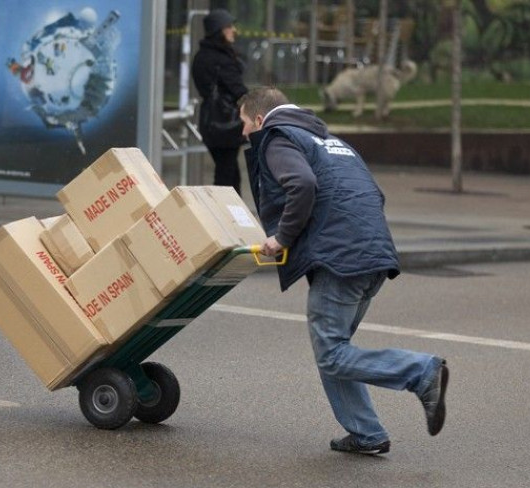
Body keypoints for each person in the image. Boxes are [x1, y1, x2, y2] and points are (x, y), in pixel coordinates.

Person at [238, 86, 449, 455]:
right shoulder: (329, 141)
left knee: (332, 353)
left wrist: (283, 238)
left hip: (341, 260)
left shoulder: (277, 138)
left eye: (242, 123)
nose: (242, 133)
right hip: (373, 254)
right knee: (333, 349)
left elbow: (301, 184)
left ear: (259, 119)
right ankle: (366, 432)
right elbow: (374, 193)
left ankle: (420, 372)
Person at [192, 9, 248, 195]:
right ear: (220, 30)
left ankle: (231, 216)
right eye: (229, 27)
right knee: (226, 176)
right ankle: (225, 216)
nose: (233, 30)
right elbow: (238, 90)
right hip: (226, 124)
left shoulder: (201, 56)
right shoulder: (222, 59)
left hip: (209, 122)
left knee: (229, 172)